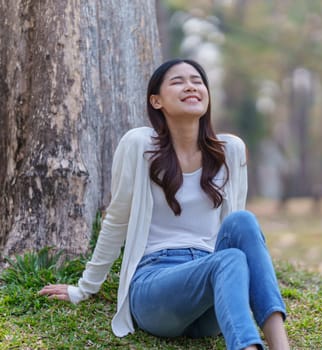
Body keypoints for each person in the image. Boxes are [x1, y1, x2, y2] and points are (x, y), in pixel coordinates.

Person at [39, 58, 289, 350]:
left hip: (212, 292)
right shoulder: (139, 145)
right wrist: (84, 288)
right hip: (156, 288)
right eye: (178, 81)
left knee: (242, 223)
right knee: (229, 259)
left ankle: (280, 345)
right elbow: (117, 220)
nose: (191, 86)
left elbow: (240, 238)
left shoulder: (230, 151)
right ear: (156, 101)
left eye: (197, 80)